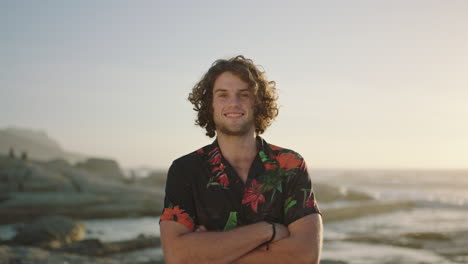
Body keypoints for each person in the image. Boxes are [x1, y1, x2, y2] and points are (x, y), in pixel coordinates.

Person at [159, 55, 323, 263]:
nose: (234, 103)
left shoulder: (289, 164)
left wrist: (208, 252)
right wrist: (268, 231)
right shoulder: (185, 169)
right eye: (223, 95)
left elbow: (305, 257)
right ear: (210, 104)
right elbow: (177, 256)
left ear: (258, 102)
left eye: (244, 95)